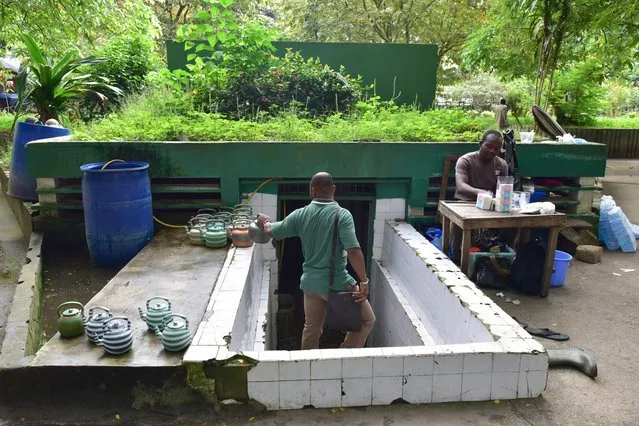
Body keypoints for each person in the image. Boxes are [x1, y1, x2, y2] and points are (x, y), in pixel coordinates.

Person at [256, 172, 375, 349]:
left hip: (310, 285)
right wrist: (363, 281)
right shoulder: (343, 215)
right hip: (338, 284)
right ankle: (344, 354)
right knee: (367, 320)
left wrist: (265, 221)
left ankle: (306, 366)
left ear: (311, 191)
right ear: (333, 189)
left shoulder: (300, 214)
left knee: (311, 329)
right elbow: (353, 250)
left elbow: (272, 230)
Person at [450, 130, 513, 262]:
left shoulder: (501, 164)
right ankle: (455, 257)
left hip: (490, 205)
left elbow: (503, 189)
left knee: (514, 222)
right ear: (480, 144)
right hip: (464, 203)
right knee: (457, 221)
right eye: (488, 146)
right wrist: (480, 192)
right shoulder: (466, 160)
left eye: (496, 148)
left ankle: (503, 258)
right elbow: (461, 186)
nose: (492, 151)